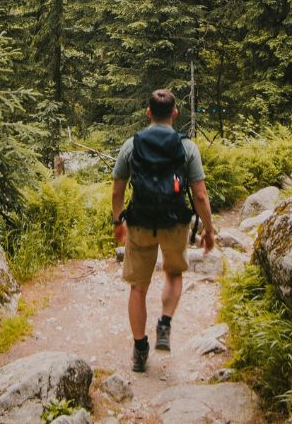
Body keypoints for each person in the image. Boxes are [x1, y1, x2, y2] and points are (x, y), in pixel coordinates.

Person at [111, 88, 215, 373]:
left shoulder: (131, 145)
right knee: (173, 273)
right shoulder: (187, 147)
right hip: (174, 223)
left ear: (148, 113)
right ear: (175, 113)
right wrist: (209, 230)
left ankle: (140, 348)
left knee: (138, 287)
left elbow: (118, 189)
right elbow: (201, 195)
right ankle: (165, 323)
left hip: (141, 222)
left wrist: (118, 221)